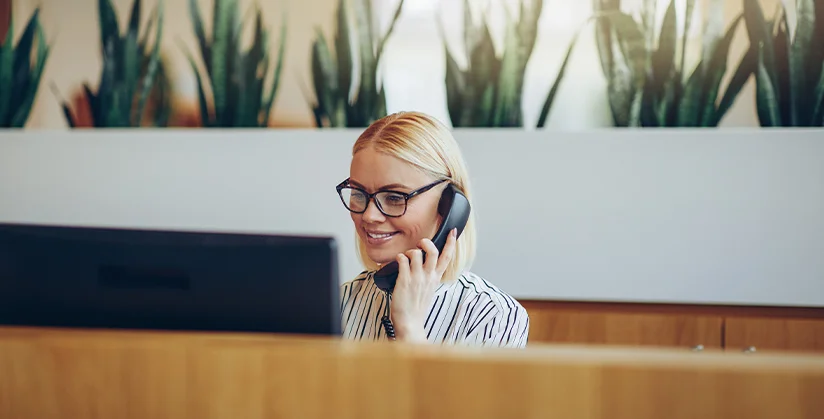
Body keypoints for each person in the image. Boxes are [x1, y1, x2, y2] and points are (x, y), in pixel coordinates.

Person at [336, 111, 529, 347]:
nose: (369, 215)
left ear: (450, 207)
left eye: (395, 198)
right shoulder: (339, 303)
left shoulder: (494, 317)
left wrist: (410, 329)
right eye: (358, 193)